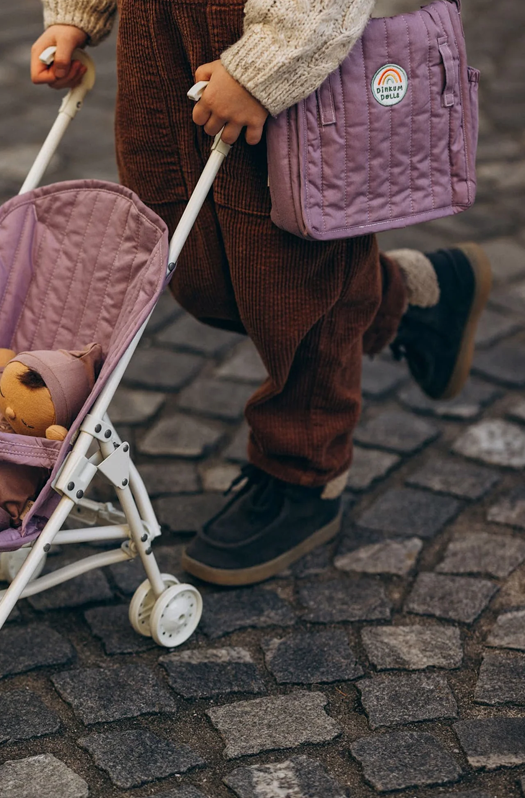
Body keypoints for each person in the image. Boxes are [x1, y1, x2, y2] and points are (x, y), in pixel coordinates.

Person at [30, 0, 492, 586]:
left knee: (293, 265)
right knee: (185, 256)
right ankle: (414, 296)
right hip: (158, 30)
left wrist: (266, 67)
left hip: (273, 34)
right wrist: (77, 13)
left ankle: (305, 470)